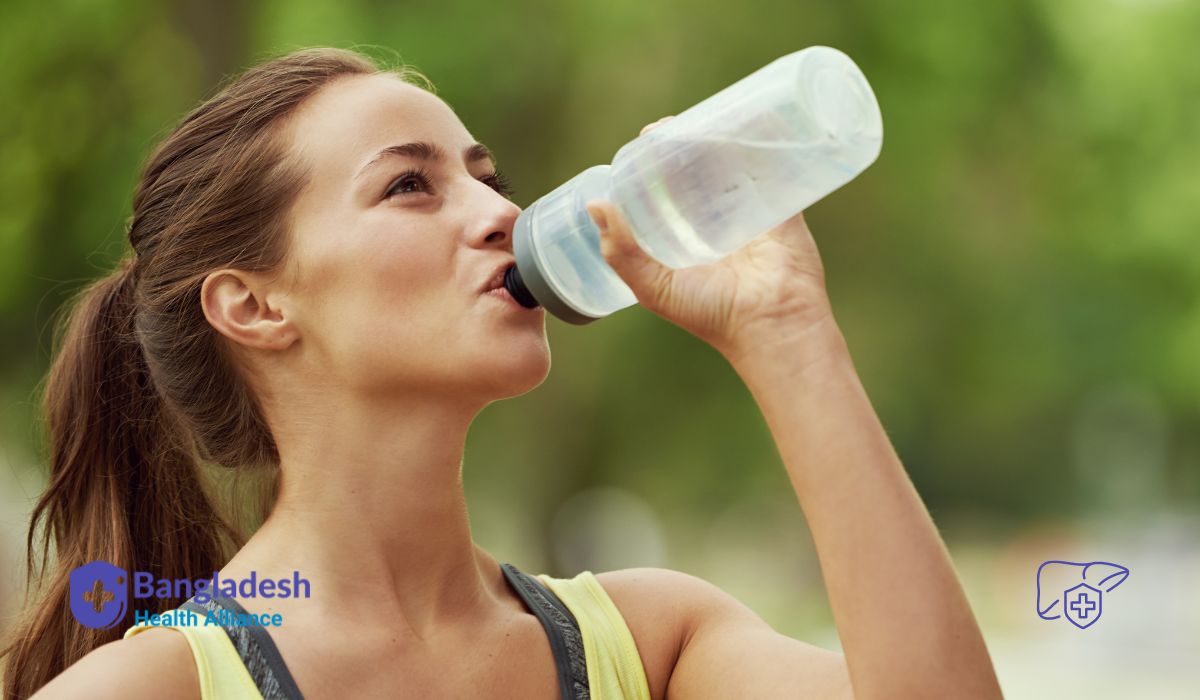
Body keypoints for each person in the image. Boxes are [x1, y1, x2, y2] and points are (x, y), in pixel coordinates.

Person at [1, 47, 1002, 699]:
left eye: (487, 178)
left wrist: (788, 329)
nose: (499, 215)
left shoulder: (651, 645)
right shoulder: (155, 687)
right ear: (255, 305)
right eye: (408, 186)